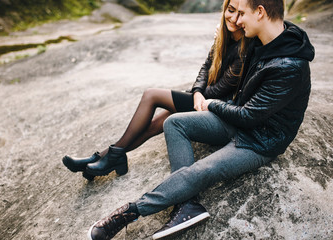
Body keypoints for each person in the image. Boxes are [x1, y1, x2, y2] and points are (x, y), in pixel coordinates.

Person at [85, 0, 315, 239]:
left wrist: (212, 104)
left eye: (242, 14)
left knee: (202, 170)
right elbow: (221, 63)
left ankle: (129, 213)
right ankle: (187, 206)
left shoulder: (289, 66)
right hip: (237, 120)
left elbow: (248, 116)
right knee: (173, 122)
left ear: (260, 13)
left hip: (259, 141)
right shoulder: (268, 37)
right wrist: (221, 41)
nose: (236, 21)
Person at [62, 0, 246, 181]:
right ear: (224, 8)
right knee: (151, 126)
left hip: (215, 108)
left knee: (152, 95)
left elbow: (219, 91)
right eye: (230, 10)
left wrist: (197, 94)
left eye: (241, 14)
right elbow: (206, 67)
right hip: (201, 99)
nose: (234, 18)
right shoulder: (224, 36)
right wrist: (197, 90)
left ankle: (109, 158)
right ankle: (103, 157)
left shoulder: (245, 48)